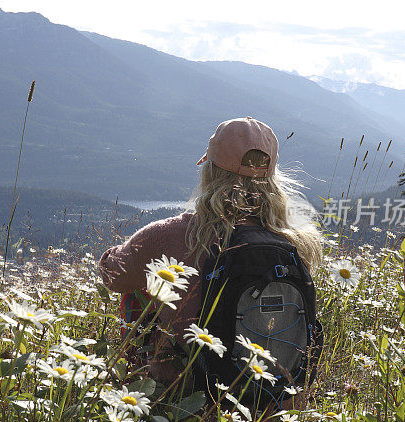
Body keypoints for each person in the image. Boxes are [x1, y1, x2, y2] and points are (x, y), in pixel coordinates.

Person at [98, 117, 322, 405]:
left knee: (138, 289)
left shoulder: (172, 235)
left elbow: (113, 276)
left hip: (187, 395)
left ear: (210, 170)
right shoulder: (297, 242)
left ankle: (134, 382)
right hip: (278, 400)